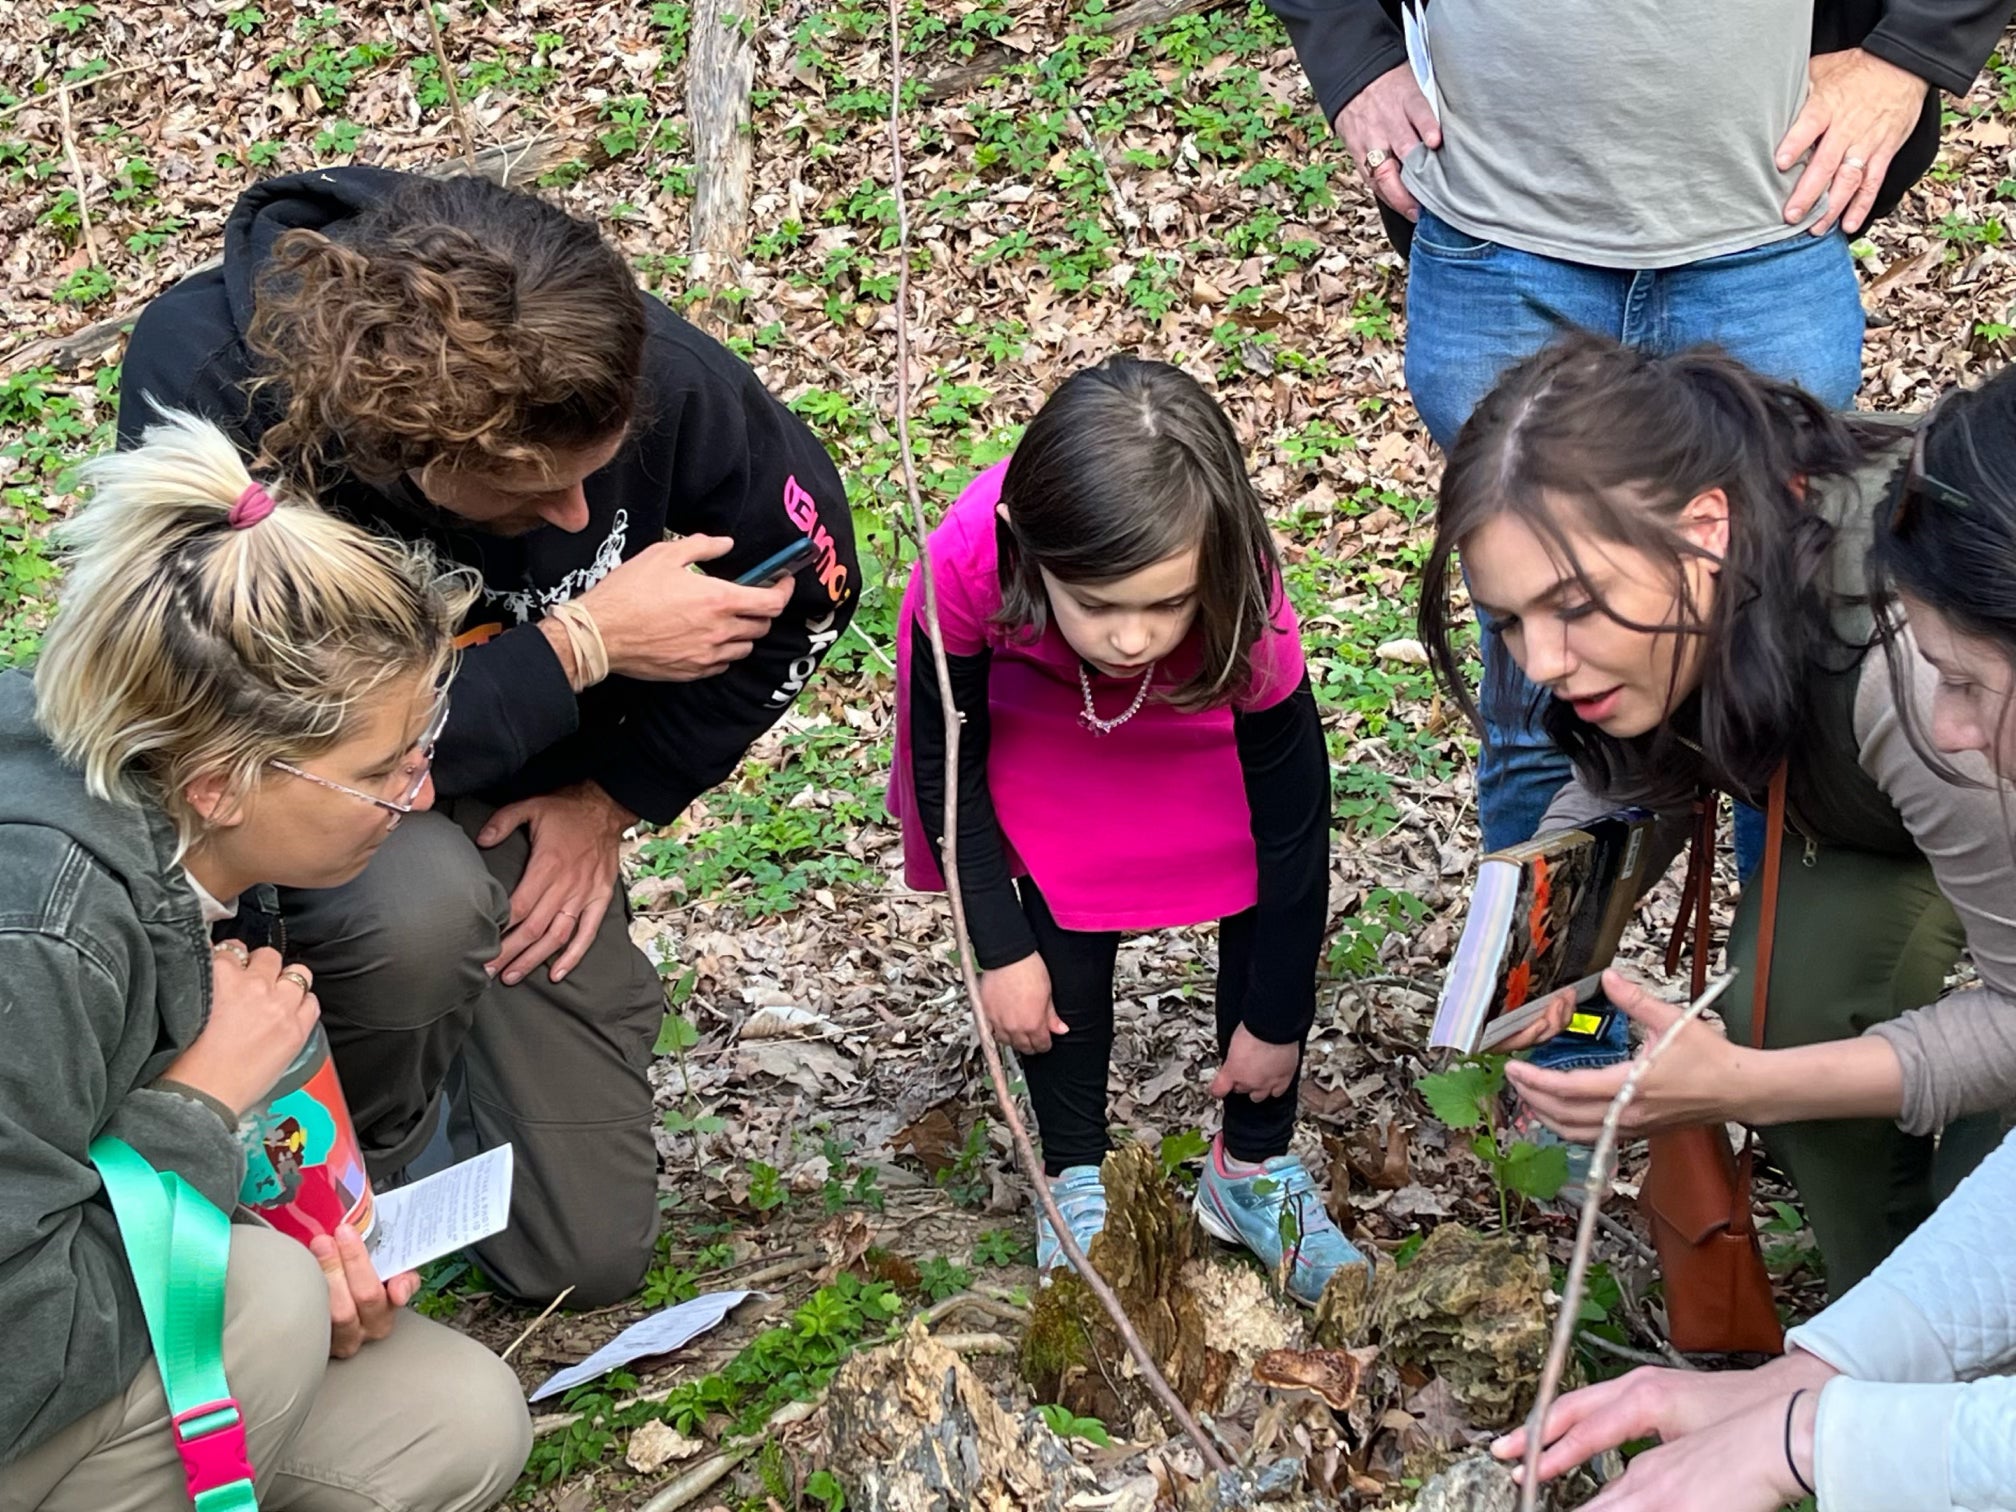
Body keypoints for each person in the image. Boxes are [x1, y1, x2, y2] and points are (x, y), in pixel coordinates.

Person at [116, 167, 858, 1305]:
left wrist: (613, 797)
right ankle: (346, 1149)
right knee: (414, 910)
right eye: (531, 494)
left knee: (582, 1258)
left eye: (595, 474)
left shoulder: (618, 363)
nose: (577, 517)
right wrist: (579, 649)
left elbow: (810, 580)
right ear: (411, 456)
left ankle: (453, 1109)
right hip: (301, 808)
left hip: (528, 773)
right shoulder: (210, 385)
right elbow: (265, 736)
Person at [1269, 0, 2012, 862]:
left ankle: (1771, 984)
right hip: (1498, 230)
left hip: (1766, 222)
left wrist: (1910, 53)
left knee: (1780, 661)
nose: (1549, 651)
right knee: (1537, 697)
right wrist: (1353, 55)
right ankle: (1538, 992)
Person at [1490, 365, 2016, 1512]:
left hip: (1937, 817)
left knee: (1845, 1060)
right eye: (1511, 621)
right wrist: (1534, 952)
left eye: (1572, 607)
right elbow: (1619, 787)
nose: (1537, 661)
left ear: (1706, 532)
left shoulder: (1912, 671)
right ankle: (1878, 1314)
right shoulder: (1681, 597)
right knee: (1800, 995)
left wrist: (1743, 1082)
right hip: (1869, 824)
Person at [0, 411, 530, 1510]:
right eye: (378, 770)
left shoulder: (164, 807)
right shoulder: (41, 942)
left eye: (418, 752)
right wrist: (199, 1114)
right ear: (221, 784)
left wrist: (275, 1208)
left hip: (68, 1311)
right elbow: (20, 1349)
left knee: (457, 1421)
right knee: (260, 1306)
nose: (416, 797)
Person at [891, 356, 1360, 1304]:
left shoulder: (1240, 597)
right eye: (1101, 604)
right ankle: (1074, 1174)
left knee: (1251, 875)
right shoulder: (970, 564)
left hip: (1197, 704)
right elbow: (952, 768)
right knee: (1066, 887)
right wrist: (999, 945)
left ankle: (1250, 1173)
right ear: (1028, 548)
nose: (1133, 635)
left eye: (1163, 602)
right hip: (1036, 700)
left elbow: (1293, 827)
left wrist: (1277, 1022)